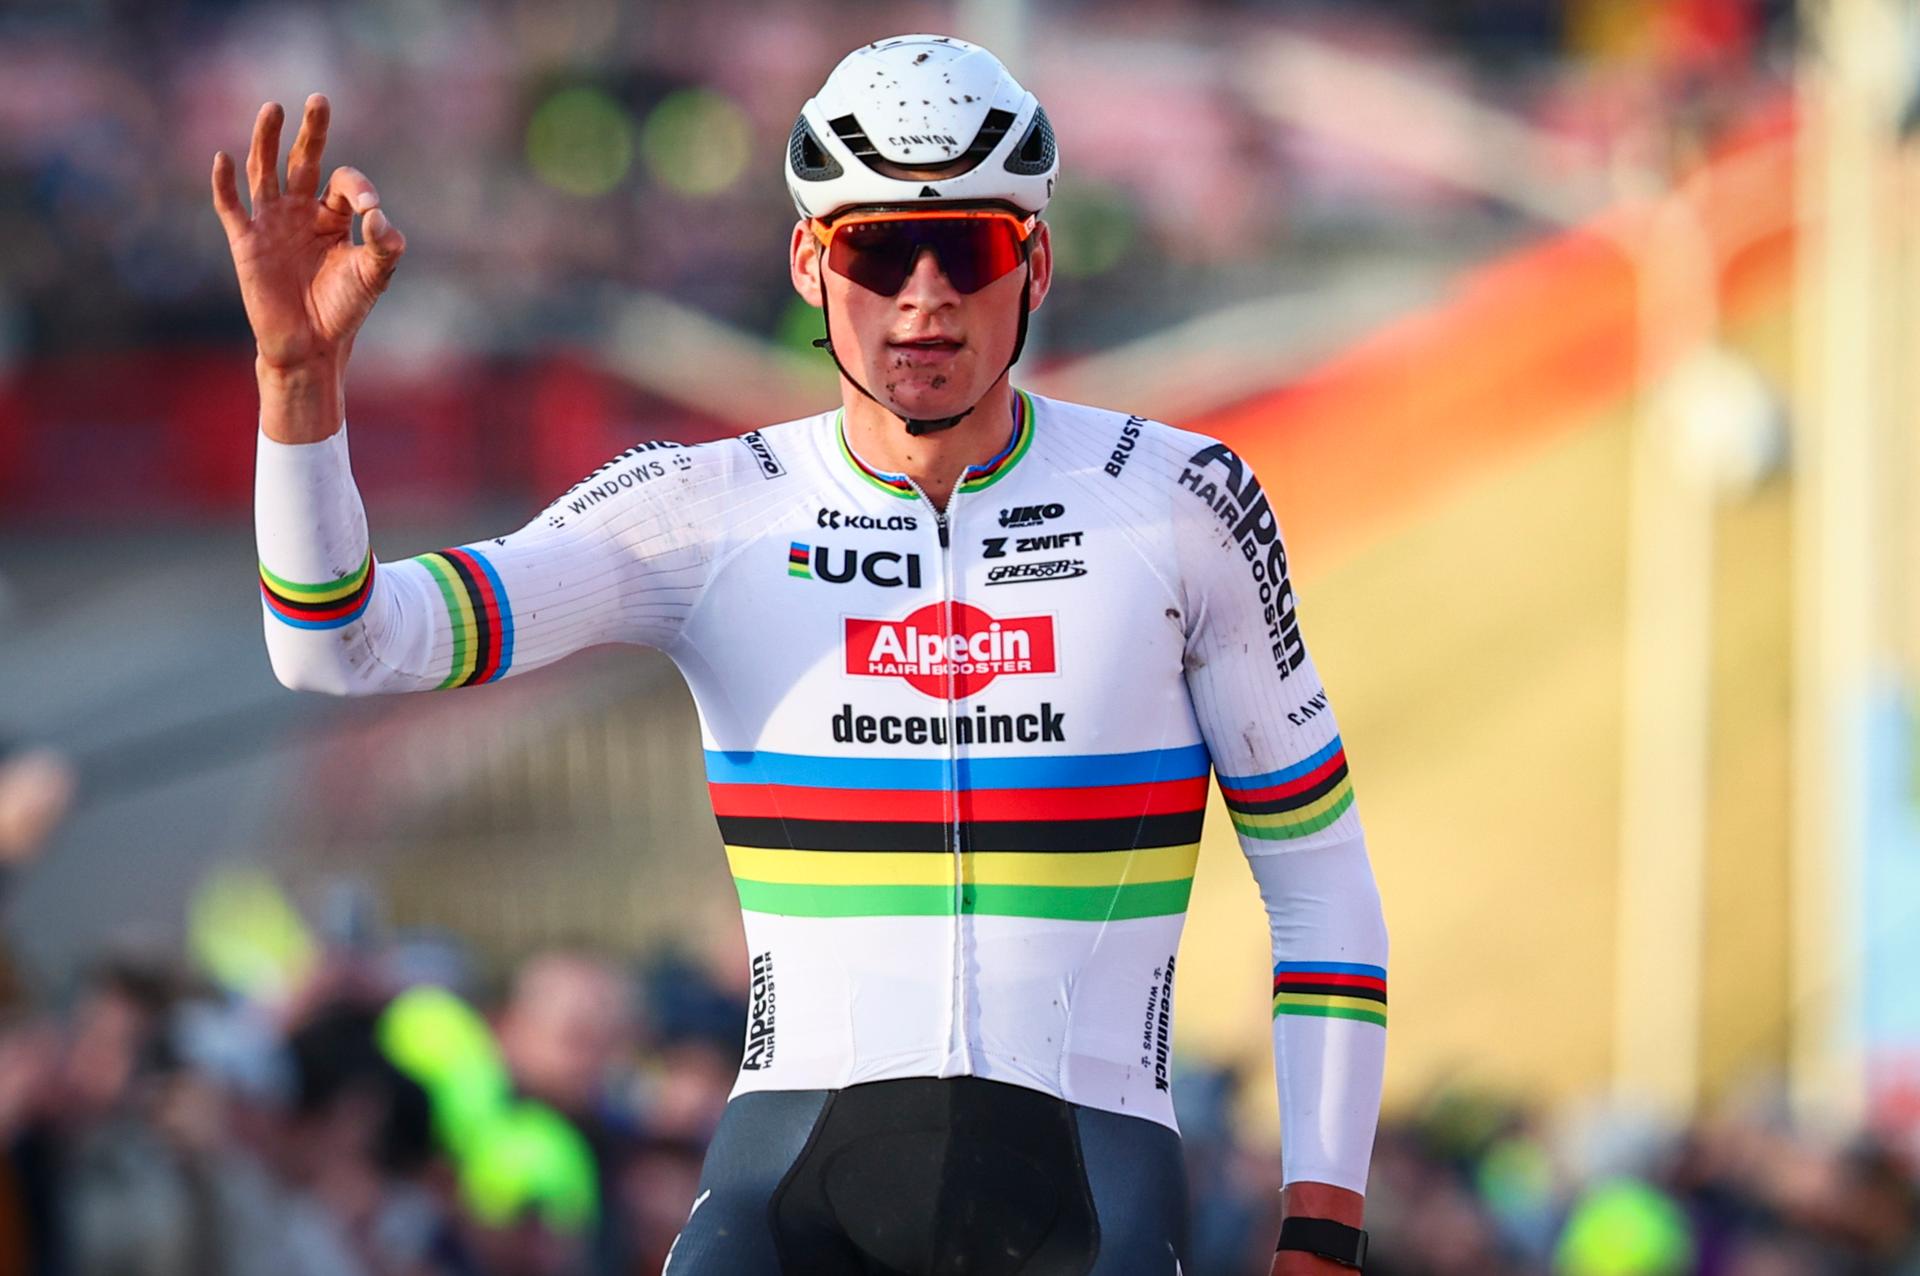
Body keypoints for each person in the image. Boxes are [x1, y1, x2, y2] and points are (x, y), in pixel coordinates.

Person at [215, 34, 1389, 1275]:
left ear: (1036, 264)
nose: (924, 296)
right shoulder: (701, 511)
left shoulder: (1180, 502)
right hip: (794, 1190)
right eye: (878, 249)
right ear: (809, 264)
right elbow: (340, 649)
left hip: (1088, 1196)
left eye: (970, 249)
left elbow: (1320, 885)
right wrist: (296, 385)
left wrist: (1323, 1230)